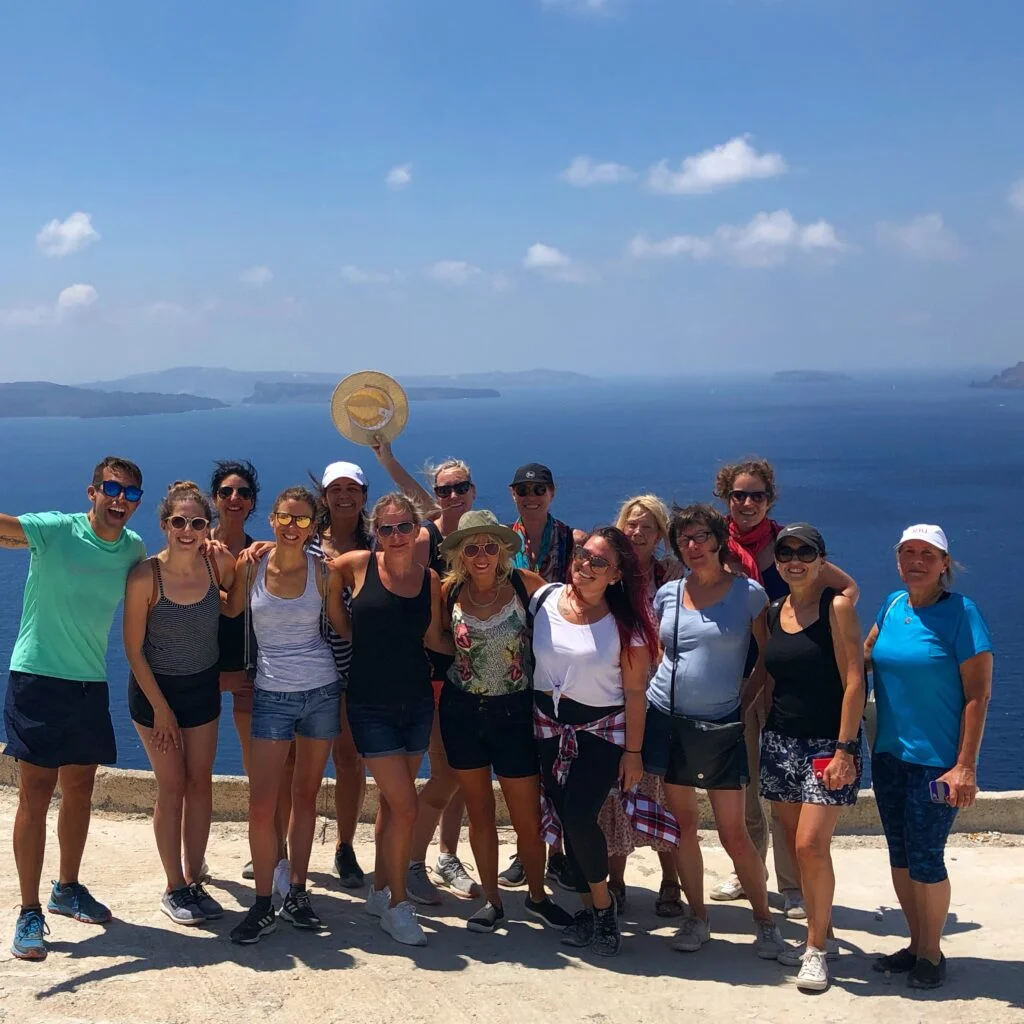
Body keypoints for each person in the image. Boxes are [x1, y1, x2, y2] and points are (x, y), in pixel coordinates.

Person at [3, 456, 147, 961]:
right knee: (36, 794)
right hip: (38, 678)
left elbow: (166, 578)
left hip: (88, 683)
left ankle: (66, 888)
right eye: (112, 488)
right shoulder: (55, 530)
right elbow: (6, 529)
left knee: (81, 788)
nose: (120, 499)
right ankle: (28, 910)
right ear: (93, 492)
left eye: (131, 493)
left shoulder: (132, 549)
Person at [711, 457, 859, 917]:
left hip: (784, 678)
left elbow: (848, 590)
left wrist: (826, 640)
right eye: (738, 495)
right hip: (738, 677)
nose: (747, 503)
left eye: (756, 495)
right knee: (747, 784)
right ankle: (748, 871)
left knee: (783, 795)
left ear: (769, 499)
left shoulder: (790, 546)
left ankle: (793, 885)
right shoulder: (716, 546)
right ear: (726, 498)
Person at [643, 503, 787, 959]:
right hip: (668, 719)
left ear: (718, 540)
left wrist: (745, 703)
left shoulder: (749, 595)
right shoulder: (668, 594)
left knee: (732, 832)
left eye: (701, 536)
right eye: (684, 539)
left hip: (721, 724)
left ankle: (765, 922)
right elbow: (657, 651)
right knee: (683, 827)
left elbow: (768, 657)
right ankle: (697, 917)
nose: (693, 546)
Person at [864, 524, 993, 990]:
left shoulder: (962, 613)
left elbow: (978, 694)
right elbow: (865, 656)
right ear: (898, 559)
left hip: (938, 764)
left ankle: (933, 954)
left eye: (927, 554)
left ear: (944, 564)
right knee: (900, 855)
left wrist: (965, 766)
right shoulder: (892, 605)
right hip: (889, 754)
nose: (916, 561)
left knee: (927, 859)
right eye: (908, 552)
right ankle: (916, 944)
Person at [437, 510, 573, 933]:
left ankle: (537, 896)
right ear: (460, 554)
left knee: (525, 817)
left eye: (489, 547)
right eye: (472, 548)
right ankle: (493, 901)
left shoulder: (523, 584)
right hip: (462, 713)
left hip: (515, 713)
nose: (481, 555)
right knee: (479, 813)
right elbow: (435, 636)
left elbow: (565, 619)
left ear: (502, 551)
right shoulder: (448, 592)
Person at [224, 487, 347, 945]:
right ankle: (262, 904)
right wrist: (200, 564)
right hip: (271, 695)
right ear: (272, 519)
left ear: (314, 526)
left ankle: (297, 891)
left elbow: (343, 626)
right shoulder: (250, 565)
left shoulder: (324, 571)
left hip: (321, 691)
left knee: (305, 797)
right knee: (261, 804)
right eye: (284, 518)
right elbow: (229, 607)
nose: (292, 526)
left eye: (302, 519)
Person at [333, 492, 454, 947]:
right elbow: (313, 571)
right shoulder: (357, 565)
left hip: (417, 703)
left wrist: (481, 649)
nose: (397, 535)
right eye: (387, 528)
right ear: (375, 532)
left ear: (418, 529)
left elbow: (435, 638)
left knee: (390, 804)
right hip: (369, 705)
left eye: (405, 526)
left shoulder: (430, 580)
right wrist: (263, 550)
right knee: (406, 806)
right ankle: (399, 907)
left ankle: (380, 892)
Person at [532, 527, 661, 957]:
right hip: (548, 729)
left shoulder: (627, 627)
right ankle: (589, 909)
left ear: (616, 575)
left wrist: (634, 754)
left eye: (599, 562)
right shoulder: (544, 599)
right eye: (583, 554)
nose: (585, 565)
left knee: (578, 815)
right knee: (566, 817)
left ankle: (604, 910)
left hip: (600, 735)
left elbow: (635, 694)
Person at [122, 481, 236, 926]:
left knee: (200, 782)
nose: (187, 530)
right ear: (165, 524)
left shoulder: (216, 563)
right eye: (179, 522)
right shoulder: (144, 576)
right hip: (156, 694)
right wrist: (162, 710)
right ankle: (173, 887)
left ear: (208, 527)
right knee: (172, 787)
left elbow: (237, 598)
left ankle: (193, 877)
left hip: (202, 688)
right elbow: (133, 651)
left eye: (197, 522)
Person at [758, 524, 866, 992]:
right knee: (793, 839)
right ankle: (825, 930)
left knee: (810, 846)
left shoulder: (836, 607)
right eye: (786, 553)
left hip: (827, 745)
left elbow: (855, 681)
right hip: (781, 742)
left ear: (822, 560)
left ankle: (816, 949)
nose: (795, 561)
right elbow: (766, 677)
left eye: (806, 553)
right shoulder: (772, 612)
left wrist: (845, 749)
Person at [369, 443, 477, 904]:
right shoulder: (424, 537)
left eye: (460, 487)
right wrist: (388, 461)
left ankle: (446, 856)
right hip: (430, 671)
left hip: (471, 671)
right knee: (447, 772)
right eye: (444, 490)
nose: (453, 496)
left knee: (462, 770)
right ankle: (412, 862)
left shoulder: (480, 535)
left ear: (472, 491)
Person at [501, 462, 587, 890]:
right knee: (525, 765)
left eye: (539, 489)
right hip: (514, 666)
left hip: (559, 667)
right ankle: (527, 849)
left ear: (552, 493)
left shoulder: (574, 541)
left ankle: (559, 854)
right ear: (512, 494)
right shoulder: (502, 542)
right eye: (523, 490)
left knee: (560, 763)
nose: (531, 496)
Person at [599, 495, 686, 917]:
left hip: (660, 698)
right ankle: (615, 881)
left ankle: (671, 881)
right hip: (612, 696)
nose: (637, 532)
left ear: (660, 536)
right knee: (616, 790)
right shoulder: (607, 573)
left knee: (662, 789)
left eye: (647, 526)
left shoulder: (671, 576)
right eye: (631, 524)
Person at [306, 461, 374, 891]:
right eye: (336, 489)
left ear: (364, 495)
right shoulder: (305, 541)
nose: (344, 496)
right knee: (300, 763)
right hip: (306, 665)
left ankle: (344, 846)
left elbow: (428, 516)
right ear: (324, 496)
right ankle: (281, 846)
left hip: (357, 666)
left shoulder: (380, 541)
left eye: (353, 488)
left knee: (349, 760)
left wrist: (387, 457)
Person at [209, 459, 273, 884]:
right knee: (194, 769)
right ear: (215, 498)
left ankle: (264, 849)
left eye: (243, 493)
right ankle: (191, 857)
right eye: (227, 492)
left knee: (259, 769)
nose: (235, 498)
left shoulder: (262, 553)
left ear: (252, 503)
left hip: (251, 669)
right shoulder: (193, 544)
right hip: (200, 667)